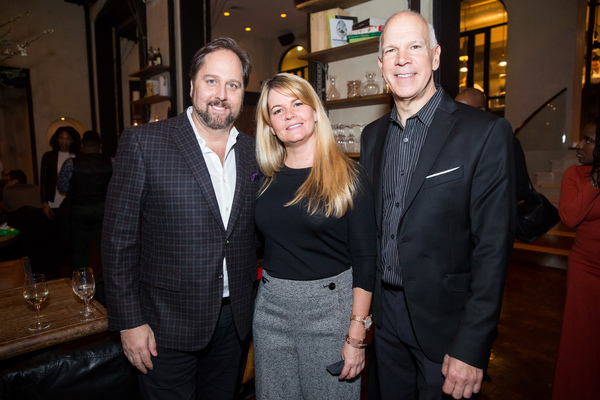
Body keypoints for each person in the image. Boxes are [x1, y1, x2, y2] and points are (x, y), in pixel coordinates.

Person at [360, 11, 515, 400]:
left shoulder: (484, 133)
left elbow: (493, 250)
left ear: (435, 55)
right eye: (391, 51)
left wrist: (472, 345)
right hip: (386, 320)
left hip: (447, 327)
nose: (402, 59)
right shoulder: (372, 136)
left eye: (414, 47)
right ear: (381, 66)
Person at [102, 37, 258, 400]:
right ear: (192, 86)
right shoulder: (144, 143)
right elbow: (117, 240)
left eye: (233, 85)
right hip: (163, 325)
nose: (221, 93)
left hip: (233, 321)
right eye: (211, 81)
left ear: (242, 93)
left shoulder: (253, 152)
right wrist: (129, 322)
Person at [253, 72, 376, 399]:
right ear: (270, 126)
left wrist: (356, 334)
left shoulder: (349, 175)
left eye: (297, 103)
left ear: (315, 112)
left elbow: (366, 261)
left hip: (330, 312)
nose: (289, 114)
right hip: (270, 309)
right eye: (277, 110)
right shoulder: (263, 180)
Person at [552, 117, 600, 400]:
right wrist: (596, 181)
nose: (580, 145)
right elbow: (570, 216)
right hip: (585, 270)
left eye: (589, 140)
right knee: (581, 341)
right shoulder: (576, 175)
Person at [455, 88, 530, 202]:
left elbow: (520, 188)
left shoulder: (506, 141)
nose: (458, 117)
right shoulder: (456, 142)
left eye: (464, 111)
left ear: (482, 110)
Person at [57, 131, 112, 270]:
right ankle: (105, 284)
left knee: (80, 250)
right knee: (105, 249)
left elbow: (62, 187)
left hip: (79, 209)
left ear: (82, 145)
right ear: (100, 146)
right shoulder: (111, 162)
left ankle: (82, 285)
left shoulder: (71, 163)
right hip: (104, 208)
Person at [40, 126, 81, 220]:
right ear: (57, 139)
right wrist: (44, 202)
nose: (64, 142)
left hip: (74, 200)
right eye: (61, 138)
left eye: (68, 139)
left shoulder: (78, 156)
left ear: (73, 140)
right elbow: (43, 181)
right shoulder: (49, 156)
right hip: (54, 200)